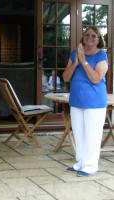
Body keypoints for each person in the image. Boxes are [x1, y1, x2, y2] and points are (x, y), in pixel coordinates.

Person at [62, 26, 108, 177]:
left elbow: (96, 79)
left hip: (94, 102)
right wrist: (76, 62)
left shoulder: (101, 55)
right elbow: (66, 77)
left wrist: (84, 62)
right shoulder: (75, 53)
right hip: (76, 100)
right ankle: (80, 163)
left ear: (99, 39)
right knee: (79, 134)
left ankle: (90, 166)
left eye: (94, 35)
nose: (90, 37)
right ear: (83, 37)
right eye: (87, 34)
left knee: (92, 135)